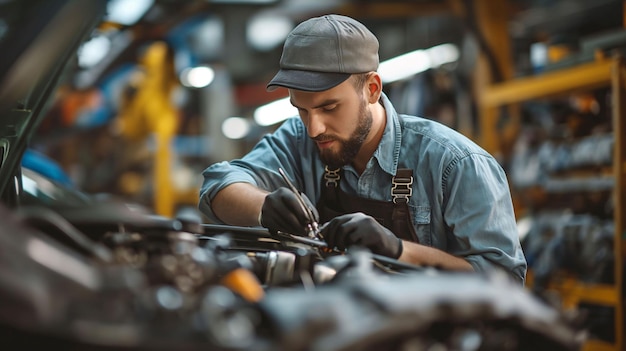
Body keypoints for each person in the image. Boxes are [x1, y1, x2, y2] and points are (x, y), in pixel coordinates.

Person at [199, 14, 527, 284]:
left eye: (329, 108)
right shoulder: (299, 140)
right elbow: (216, 185)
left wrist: (398, 250)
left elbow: (504, 282)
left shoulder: (455, 164)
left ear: (371, 89)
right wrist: (263, 206)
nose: (314, 128)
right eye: (301, 110)